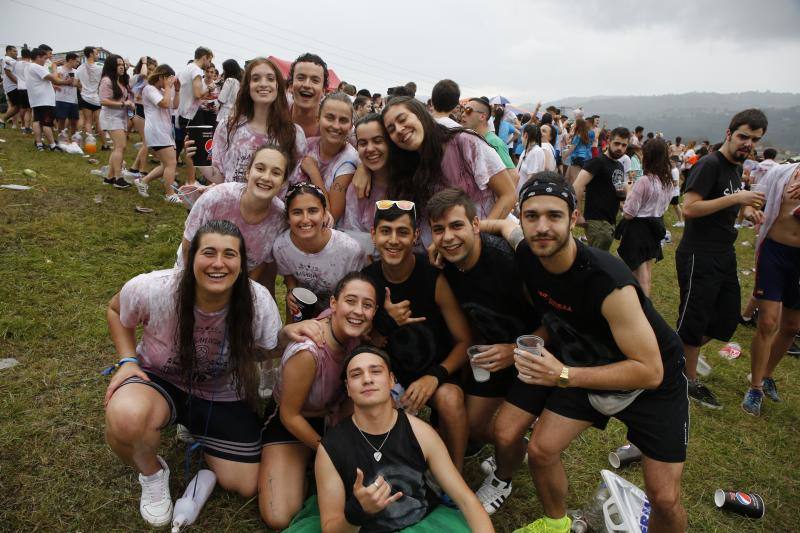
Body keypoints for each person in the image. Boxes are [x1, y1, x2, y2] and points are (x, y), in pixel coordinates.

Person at [103, 219, 321, 527]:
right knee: (126, 418)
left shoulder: (257, 300)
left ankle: (193, 428)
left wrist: (287, 336)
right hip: (159, 379)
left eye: (230, 255)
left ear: (242, 263)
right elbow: (115, 310)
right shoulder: (156, 287)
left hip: (222, 391)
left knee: (245, 483)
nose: (218, 263)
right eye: (209, 252)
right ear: (191, 257)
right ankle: (152, 474)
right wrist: (128, 362)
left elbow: (268, 349)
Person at [511, 174, 688, 533]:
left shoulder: (609, 283)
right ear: (522, 217)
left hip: (651, 380)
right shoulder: (527, 252)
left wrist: (562, 375)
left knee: (664, 498)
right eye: (531, 216)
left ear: (574, 218)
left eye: (554, 216)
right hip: (587, 362)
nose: (542, 227)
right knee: (541, 451)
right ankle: (556, 523)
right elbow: (502, 225)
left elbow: (649, 371)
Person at [427, 188, 540, 515]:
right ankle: (519, 446)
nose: (448, 238)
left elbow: (552, 319)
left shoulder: (509, 261)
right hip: (489, 356)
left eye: (456, 226)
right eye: (439, 230)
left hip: (533, 356)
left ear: (476, 224)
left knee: (505, 432)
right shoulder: (445, 266)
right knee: (475, 426)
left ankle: (503, 476)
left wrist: (515, 350)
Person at [309, 347, 495, 532]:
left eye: (375, 371)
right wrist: (358, 512)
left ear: (391, 380)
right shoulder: (331, 448)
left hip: (423, 525)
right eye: (356, 375)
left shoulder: (421, 433)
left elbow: (466, 499)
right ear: (348, 388)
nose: (367, 379)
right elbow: (330, 528)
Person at [258, 272, 379, 530]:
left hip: (334, 416)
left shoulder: (356, 333)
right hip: (293, 421)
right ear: (333, 304)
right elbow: (289, 415)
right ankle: (306, 464)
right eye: (350, 301)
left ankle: (317, 465)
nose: (358, 311)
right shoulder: (309, 351)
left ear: (374, 311)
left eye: (366, 305)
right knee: (279, 515)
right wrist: (329, 451)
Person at [362, 202, 473, 472]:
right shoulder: (367, 281)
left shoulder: (434, 278)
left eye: (402, 232)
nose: (393, 240)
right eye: (386, 231)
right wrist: (385, 322)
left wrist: (434, 376)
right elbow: (361, 340)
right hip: (390, 376)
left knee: (450, 399)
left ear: (415, 237)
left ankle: (454, 475)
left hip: (435, 370)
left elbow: (464, 341)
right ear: (373, 234)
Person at [676, 108, 767, 409]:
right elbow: (689, 208)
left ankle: (676, 354)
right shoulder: (709, 164)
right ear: (729, 134)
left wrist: (747, 210)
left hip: (723, 253)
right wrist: (737, 199)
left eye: (754, 139)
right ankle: (687, 380)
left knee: (726, 319)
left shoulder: (735, 167)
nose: (747, 143)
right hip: (699, 253)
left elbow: (727, 201)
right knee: (695, 318)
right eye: (743, 136)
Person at [378, 96, 516, 245]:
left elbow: (508, 194)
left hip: (484, 248)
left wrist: (478, 238)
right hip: (443, 254)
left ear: (421, 115)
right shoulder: (404, 166)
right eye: (391, 129)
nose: (399, 129)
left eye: (403, 119)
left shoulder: (465, 143)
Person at [743, 162, 800, 416]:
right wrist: (749, 211)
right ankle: (755, 387)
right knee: (767, 322)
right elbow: (753, 200)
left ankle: (766, 376)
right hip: (774, 252)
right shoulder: (782, 173)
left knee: (791, 326)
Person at [274, 182, 367, 319]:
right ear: (288, 218)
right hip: (305, 310)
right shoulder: (281, 247)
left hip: (341, 313)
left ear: (324, 214)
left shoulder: (350, 249)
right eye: (297, 212)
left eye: (313, 211)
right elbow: (289, 275)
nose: (305, 219)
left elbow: (358, 290)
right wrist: (292, 290)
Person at [617, 138, 674, 295]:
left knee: (639, 273)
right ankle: (642, 306)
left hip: (637, 230)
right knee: (646, 269)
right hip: (655, 226)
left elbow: (629, 213)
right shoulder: (668, 182)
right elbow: (665, 207)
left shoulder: (644, 181)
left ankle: (643, 309)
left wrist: (629, 191)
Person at [291, 92, 359, 221]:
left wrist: (314, 173)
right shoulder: (306, 145)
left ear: (351, 126)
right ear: (318, 119)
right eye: (330, 118)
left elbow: (331, 217)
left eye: (343, 120)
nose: (336, 125)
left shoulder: (349, 160)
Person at [340, 113, 390, 257]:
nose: (370, 148)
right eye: (363, 143)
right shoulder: (356, 187)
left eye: (378, 140)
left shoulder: (413, 181)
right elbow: (355, 239)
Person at [573, 127, 630, 251]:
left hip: (610, 222)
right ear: (609, 141)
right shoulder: (597, 162)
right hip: (597, 221)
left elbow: (619, 191)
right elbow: (577, 185)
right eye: (617, 143)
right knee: (597, 261)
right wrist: (577, 214)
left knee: (597, 259)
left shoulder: (619, 165)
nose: (620, 148)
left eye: (624, 145)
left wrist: (625, 205)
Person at [135, 64, 182, 202]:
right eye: (168, 79)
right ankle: (169, 194)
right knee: (171, 163)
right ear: (161, 77)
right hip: (156, 131)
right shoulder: (149, 89)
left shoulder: (161, 91)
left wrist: (177, 90)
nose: (170, 83)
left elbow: (175, 105)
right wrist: (168, 87)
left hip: (164, 131)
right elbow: (165, 104)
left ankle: (143, 181)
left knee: (166, 164)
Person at [461, 96, 519, 188]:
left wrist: (501, 199)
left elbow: (514, 176)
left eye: (468, 110)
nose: (463, 114)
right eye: (462, 110)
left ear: (482, 116)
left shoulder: (494, 142)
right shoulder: (474, 139)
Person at [176, 47, 214, 185]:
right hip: (191, 114)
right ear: (204, 57)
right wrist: (208, 89)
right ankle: (191, 182)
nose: (209, 64)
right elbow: (198, 94)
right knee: (193, 148)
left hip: (183, 113)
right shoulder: (197, 71)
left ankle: (190, 180)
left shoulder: (186, 68)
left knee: (188, 147)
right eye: (209, 60)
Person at [27, 47, 75, 152]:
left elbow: (40, 82)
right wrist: (54, 67)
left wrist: (54, 86)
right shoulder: (37, 67)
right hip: (44, 100)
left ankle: (39, 144)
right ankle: (53, 145)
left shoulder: (30, 67)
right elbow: (54, 78)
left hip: (36, 99)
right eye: (44, 58)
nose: (45, 61)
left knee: (37, 121)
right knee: (47, 124)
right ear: (38, 57)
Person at [99, 54, 134, 188]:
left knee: (118, 148)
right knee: (121, 146)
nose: (122, 67)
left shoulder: (121, 81)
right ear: (112, 66)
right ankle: (118, 178)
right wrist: (125, 104)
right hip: (111, 116)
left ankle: (109, 177)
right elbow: (103, 100)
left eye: (122, 64)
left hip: (120, 116)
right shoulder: (107, 80)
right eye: (119, 65)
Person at [128, 56, 157, 179]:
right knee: (147, 142)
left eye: (153, 69)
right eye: (149, 68)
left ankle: (135, 167)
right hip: (139, 111)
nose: (151, 72)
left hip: (146, 112)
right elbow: (144, 75)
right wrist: (144, 62)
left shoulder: (151, 81)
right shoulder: (137, 78)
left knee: (147, 142)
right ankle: (142, 169)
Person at [288, 52, 327, 138]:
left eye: (315, 80)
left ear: (323, 90)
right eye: (301, 78)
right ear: (291, 85)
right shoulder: (275, 116)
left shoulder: (334, 125)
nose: (307, 85)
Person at [75, 46, 103, 138]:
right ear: (91, 54)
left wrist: (83, 87)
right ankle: (104, 143)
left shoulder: (79, 68)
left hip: (84, 97)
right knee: (99, 121)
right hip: (96, 97)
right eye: (96, 53)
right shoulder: (99, 66)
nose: (97, 55)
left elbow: (75, 83)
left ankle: (90, 140)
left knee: (88, 121)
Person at [516, 123, 545, 191]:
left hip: (525, 194)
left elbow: (531, 178)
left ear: (525, 135)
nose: (521, 138)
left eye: (521, 135)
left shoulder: (536, 152)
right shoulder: (526, 150)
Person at [564, 118, 592, 185]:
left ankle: (577, 194)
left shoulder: (578, 136)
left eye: (575, 123)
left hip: (576, 158)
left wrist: (564, 156)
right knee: (567, 178)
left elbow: (572, 148)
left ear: (578, 125)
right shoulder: (585, 135)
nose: (573, 124)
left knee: (574, 181)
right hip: (582, 158)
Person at [10, 47, 32, 134]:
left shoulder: (16, 63)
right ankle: (27, 127)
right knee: (29, 109)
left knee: (22, 108)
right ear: (30, 55)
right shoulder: (30, 65)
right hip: (28, 88)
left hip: (19, 87)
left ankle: (23, 125)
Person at [216, 59, 242, 126]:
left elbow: (221, 99)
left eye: (224, 69)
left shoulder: (229, 80)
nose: (224, 71)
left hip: (225, 113)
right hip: (235, 113)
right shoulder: (239, 82)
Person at [0, 45, 19, 128]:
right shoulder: (8, 60)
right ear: (8, 51)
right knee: (17, 106)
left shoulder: (4, 59)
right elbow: (8, 72)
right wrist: (18, 82)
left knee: (14, 106)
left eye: (16, 51)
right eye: (14, 51)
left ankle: (12, 124)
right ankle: (2, 120)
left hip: (9, 86)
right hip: (12, 86)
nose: (16, 53)